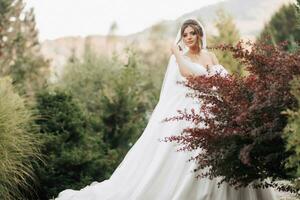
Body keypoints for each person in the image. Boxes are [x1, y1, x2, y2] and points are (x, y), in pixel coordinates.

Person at [56, 18, 278, 200]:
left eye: (193, 33)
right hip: (190, 109)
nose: (189, 37)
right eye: (185, 34)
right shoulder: (179, 58)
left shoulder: (210, 56)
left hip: (214, 107)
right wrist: (177, 52)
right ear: (181, 38)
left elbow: (223, 80)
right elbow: (187, 74)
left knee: (224, 149)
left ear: (200, 34)